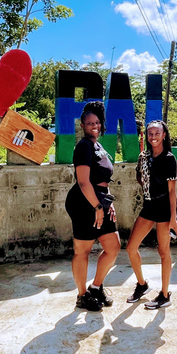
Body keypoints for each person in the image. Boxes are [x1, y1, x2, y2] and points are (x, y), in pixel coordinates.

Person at [65, 101, 121, 311]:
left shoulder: (99, 146)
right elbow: (83, 181)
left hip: (100, 200)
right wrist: (98, 207)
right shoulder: (83, 146)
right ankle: (82, 296)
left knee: (113, 247)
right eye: (89, 123)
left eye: (97, 122)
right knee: (83, 250)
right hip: (83, 202)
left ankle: (96, 287)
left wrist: (107, 203)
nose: (94, 126)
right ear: (83, 125)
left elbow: (102, 180)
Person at [126, 120, 177, 309]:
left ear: (164, 134)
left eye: (157, 133)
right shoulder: (145, 157)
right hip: (149, 206)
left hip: (165, 207)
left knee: (164, 252)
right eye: (150, 134)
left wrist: (173, 218)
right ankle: (142, 284)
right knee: (131, 247)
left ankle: (165, 294)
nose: (153, 137)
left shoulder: (169, 158)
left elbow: (172, 191)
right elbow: (142, 180)